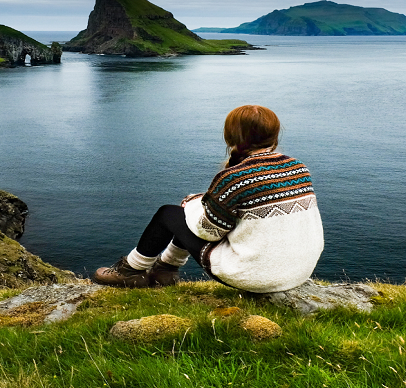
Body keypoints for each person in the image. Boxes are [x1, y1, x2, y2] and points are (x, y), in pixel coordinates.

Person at [93, 104, 324, 293]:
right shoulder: (298, 167)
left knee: (169, 213)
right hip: (297, 272)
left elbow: (208, 231)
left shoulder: (234, 177)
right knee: (192, 213)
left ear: (229, 136)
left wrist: (192, 204)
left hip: (255, 276)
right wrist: (203, 203)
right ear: (274, 135)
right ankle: (165, 271)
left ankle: (131, 271)